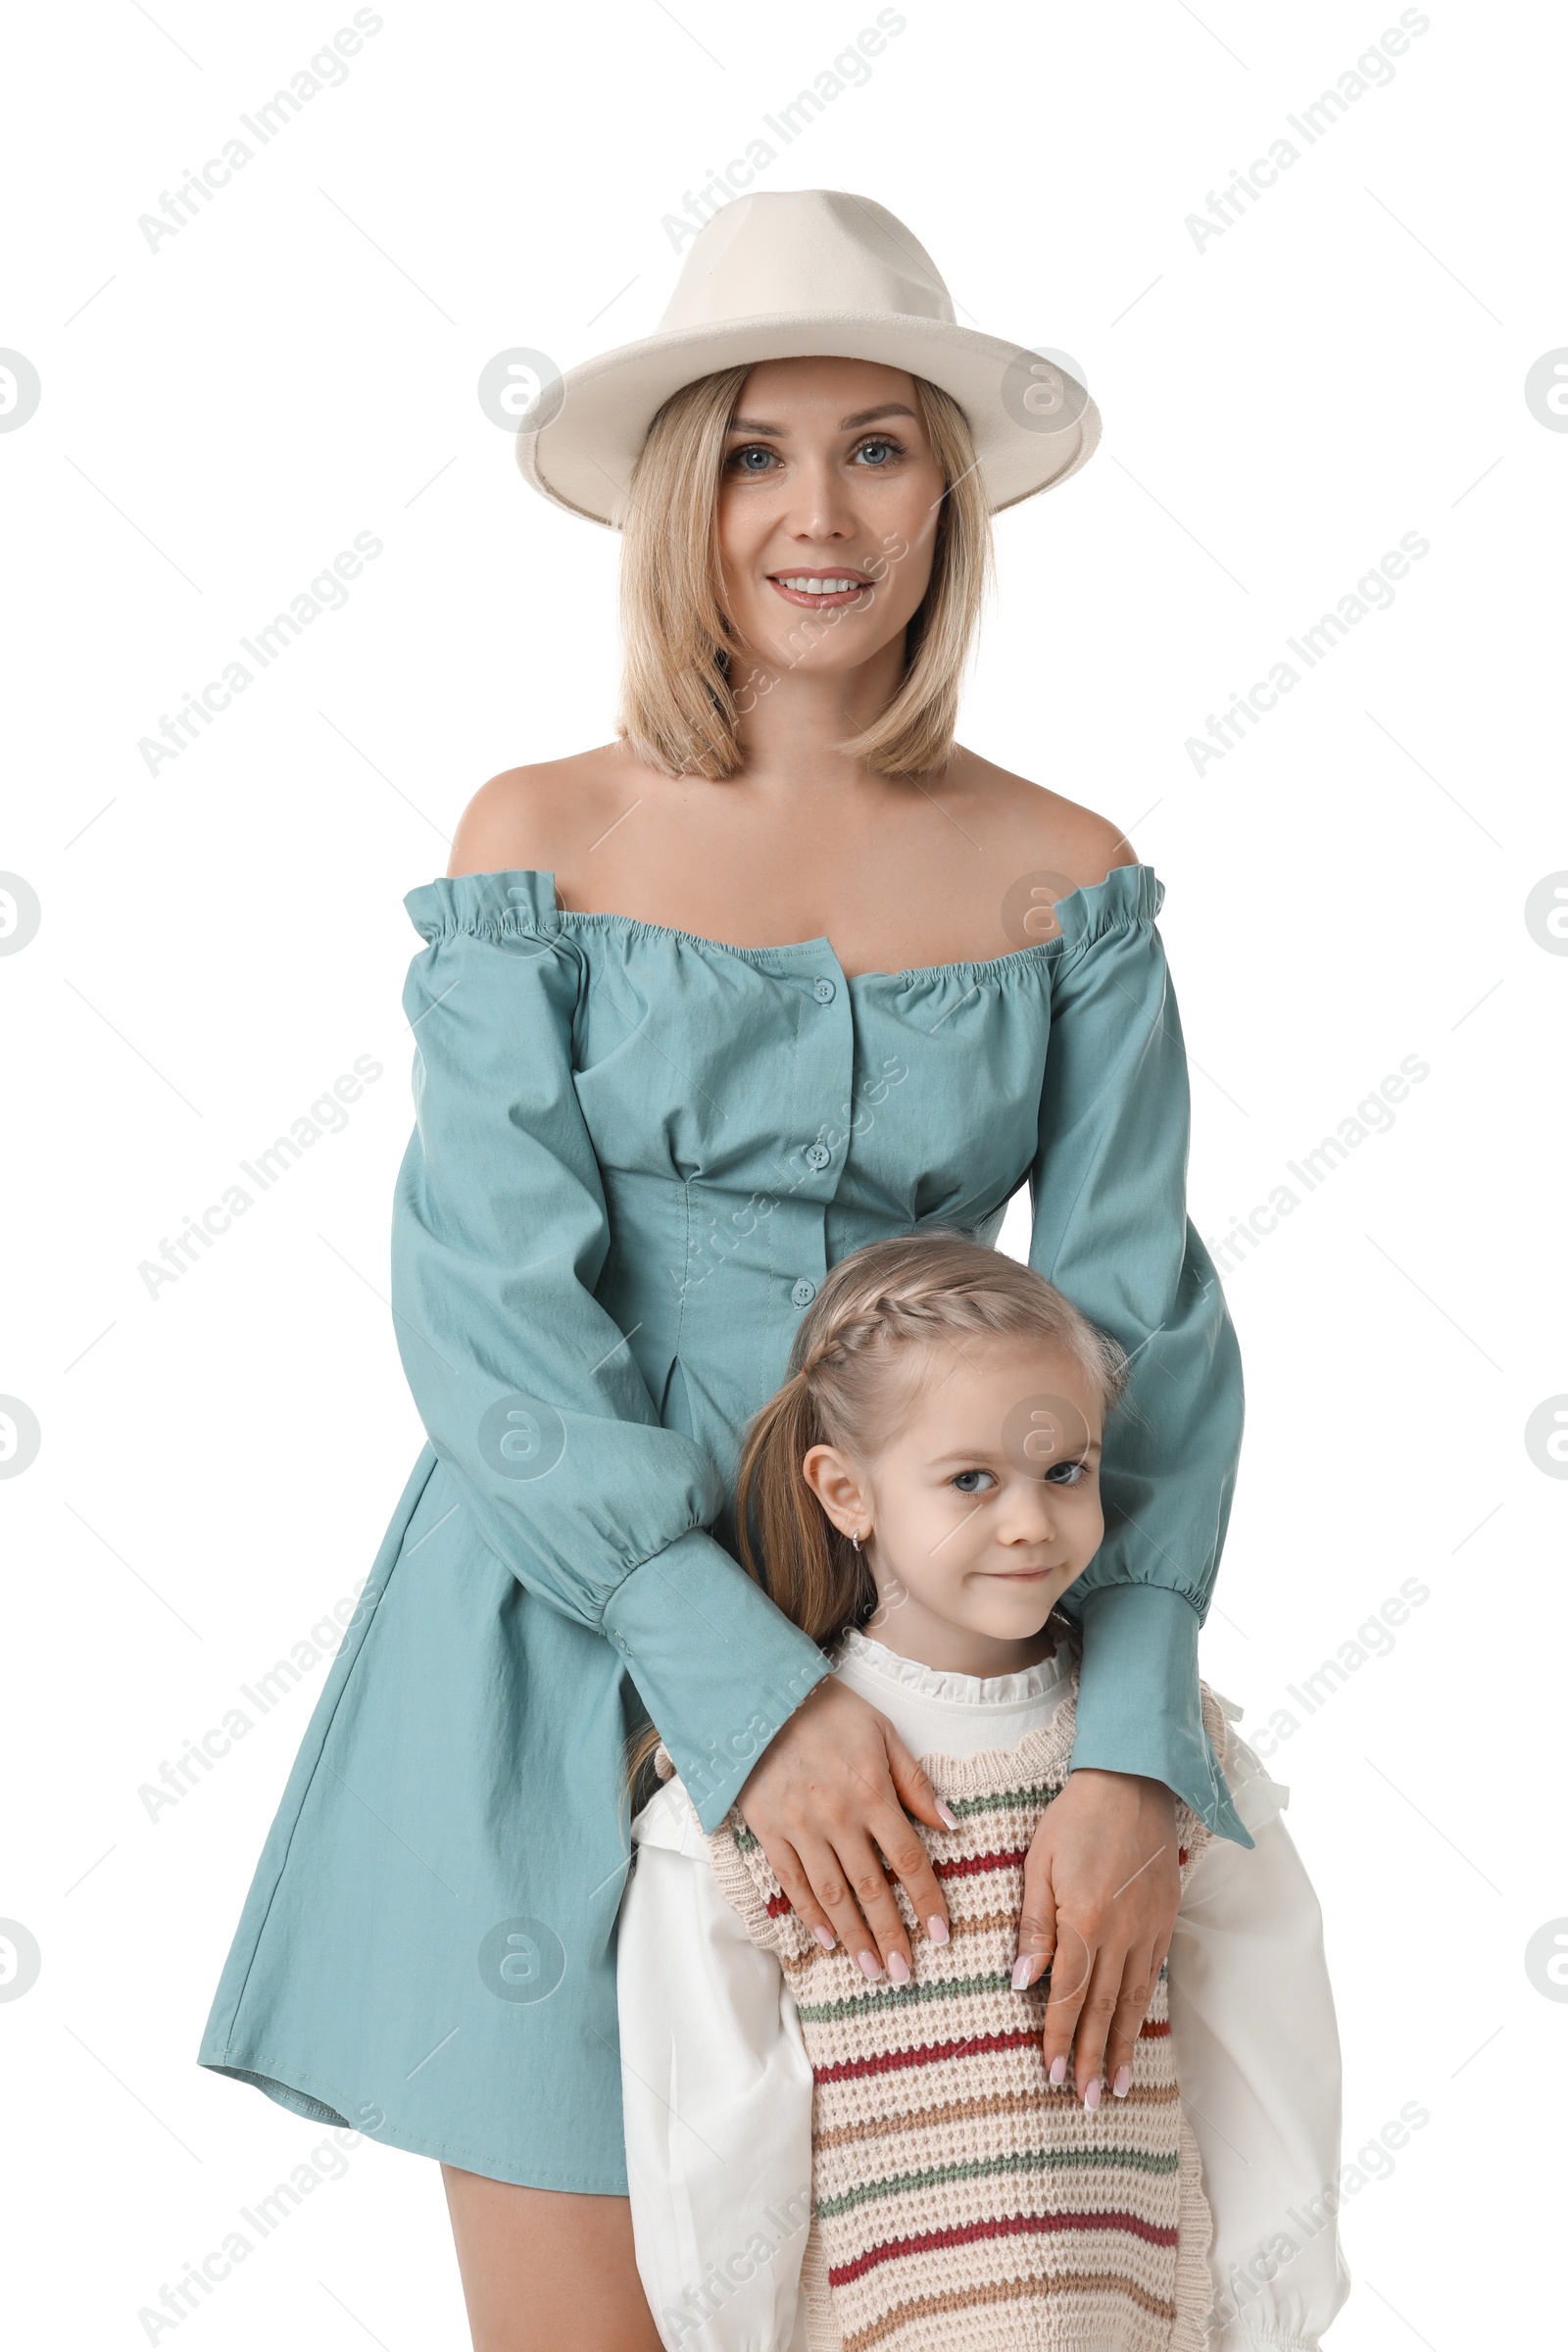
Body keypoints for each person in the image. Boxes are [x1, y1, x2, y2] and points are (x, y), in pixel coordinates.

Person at [198, 189, 1250, 2352]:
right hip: (559, 1639)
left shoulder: (1068, 879)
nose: (816, 512)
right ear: (682, 496)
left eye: (877, 446)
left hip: (958, 1636)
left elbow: (1140, 1333)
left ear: (945, 498)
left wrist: (1129, 1753)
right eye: (757, 451)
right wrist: (741, 1686)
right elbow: (488, 1307)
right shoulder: (536, 845)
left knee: (973, 2285)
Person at [617, 1232, 1347, 2352]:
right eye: (971, 1480)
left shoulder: (1171, 1764)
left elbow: (1263, 2053)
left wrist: (1268, 2321)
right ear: (845, 1491)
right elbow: (713, 2146)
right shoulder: (746, 1808)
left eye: (1066, 1472)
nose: (1029, 1522)